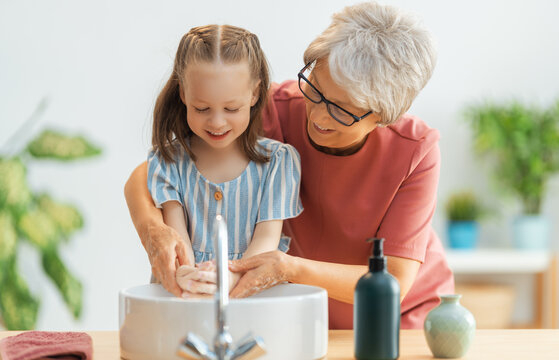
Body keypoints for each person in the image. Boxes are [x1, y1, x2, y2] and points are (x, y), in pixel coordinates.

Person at [124, 2, 454, 329]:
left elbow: (393, 282)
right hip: (304, 313)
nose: (320, 116)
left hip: (395, 320)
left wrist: (289, 268)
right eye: (317, 90)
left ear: (384, 115)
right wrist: (155, 231)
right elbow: (154, 170)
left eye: (343, 109)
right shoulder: (270, 108)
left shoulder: (415, 150)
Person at [143, 24, 302, 296]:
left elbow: (266, 240)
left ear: (254, 94)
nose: (216, 122)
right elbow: (178, 240)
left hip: (256, 298)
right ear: (183, 94)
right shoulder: (167, 161)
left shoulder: (278, 162)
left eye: (231, 108)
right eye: (201, 108)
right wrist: (188, 276)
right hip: (185, 297)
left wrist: (230, 279)